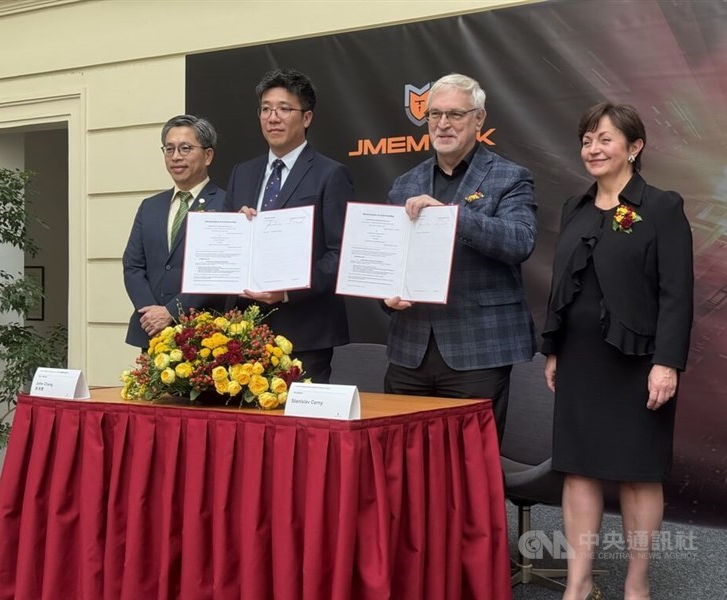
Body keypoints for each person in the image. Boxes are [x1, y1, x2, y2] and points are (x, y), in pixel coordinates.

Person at [541, 102, 694, 600]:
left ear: (635, 147)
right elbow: (564, 287)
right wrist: (555, 349)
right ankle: (579, 583)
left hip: (638, 362)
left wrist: (666, 362)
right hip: (580, 360)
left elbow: (676, 292)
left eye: (605, 139)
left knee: (637, 474)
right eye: (587, 138)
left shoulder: (661, 206)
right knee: (579, 470)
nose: (593, 148)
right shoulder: (575, 208)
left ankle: (636, 585)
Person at [383, 73, 537, 440]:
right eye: (435, 115)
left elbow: (521, 241)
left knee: (469, 470)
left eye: (455, 114)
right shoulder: (404, 184)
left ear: (479, 118)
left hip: (478, 351)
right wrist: (385, 296)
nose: (443, 124)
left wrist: (451, 216)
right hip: (410, 352)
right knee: (404, 469)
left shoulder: (510, 177)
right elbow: (390, 259)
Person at [223, 68, 353, 383]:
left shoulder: (330, 174)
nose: (273, 117)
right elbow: (225, 246)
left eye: (284, 109)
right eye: (266, 109)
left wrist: (286, 293)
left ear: (306, 118)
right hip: (246, 332)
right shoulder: (243, 172)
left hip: (306, 334)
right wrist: (234, 231)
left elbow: (340, 254)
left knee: (300, 430)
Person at [123, 114, 226, 349]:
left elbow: (217, 273)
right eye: (169, 149)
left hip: (204, 334)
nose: (176, 157)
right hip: (152, 333)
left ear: (208, 155)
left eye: (185, 148)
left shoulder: (226, 205)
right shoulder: (150, 206)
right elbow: (133, 266)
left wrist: (171, 312)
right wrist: (152, 314)